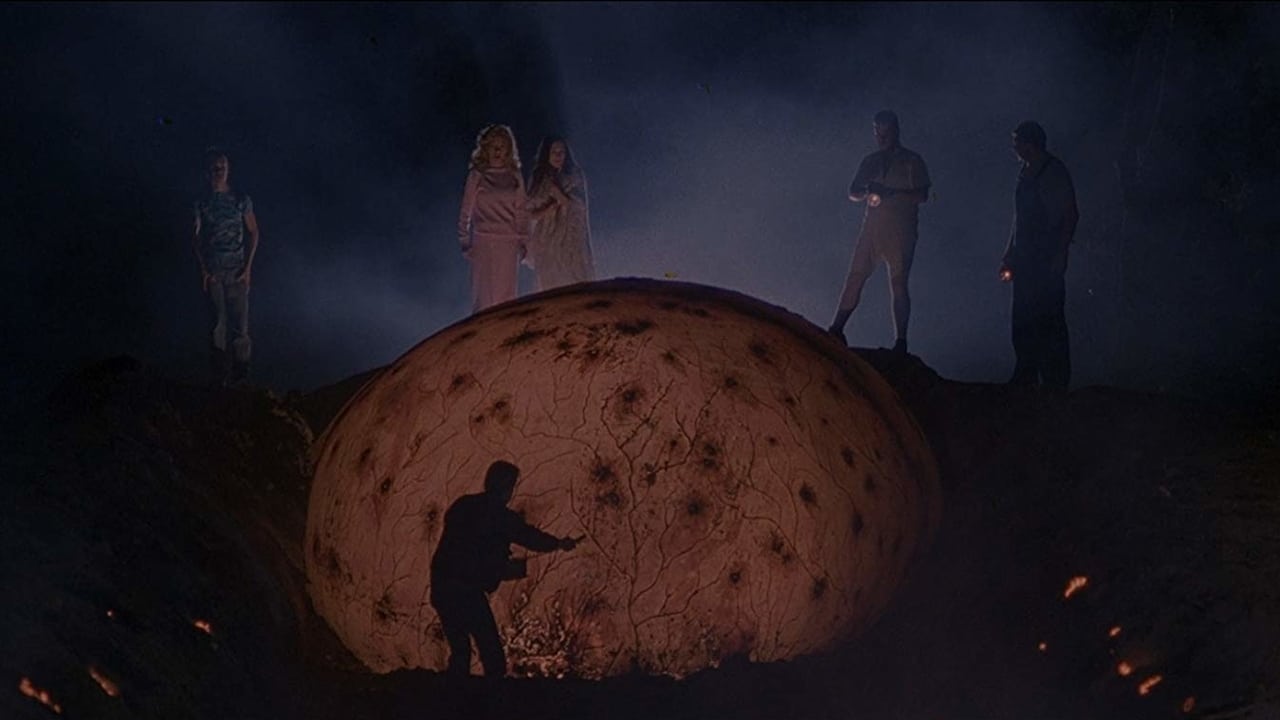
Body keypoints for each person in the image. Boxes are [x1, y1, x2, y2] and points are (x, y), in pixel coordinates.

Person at [429, 460, 580, 678]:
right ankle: (491, 697)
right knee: (492, 656)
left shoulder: (463, 506)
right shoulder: (499, 516)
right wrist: (558, 543)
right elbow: (530, 537)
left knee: (460, 651)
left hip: (442, 586)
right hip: (466, 591)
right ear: (505, 487)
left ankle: (454, 695)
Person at [828, 110, 931, 355]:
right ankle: (836, 328)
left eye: (886, 132)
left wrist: (893, 194)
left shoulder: (912, 161)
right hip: (873, 227)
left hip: (901, 229)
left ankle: (901, 341)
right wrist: (868, 192)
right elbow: (853, 191)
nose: (881, 138)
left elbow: (923, 195)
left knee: (898, 282)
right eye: (878, 133)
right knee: (856, 275)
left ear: (896, 131)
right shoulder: (871, 161)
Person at [999, 121, 1078, 388]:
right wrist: (1009, 252)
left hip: (1045, 255)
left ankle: (1056, 380)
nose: (1014, 148)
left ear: (1030, 144)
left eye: (1017, 142)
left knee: (1049, 317)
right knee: (1022, 316)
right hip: (1025, 256)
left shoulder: (1053, 172)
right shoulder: (1025, 171)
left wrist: (1061, 253)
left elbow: (1069, 214)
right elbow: (1019, 218)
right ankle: (1026, 373)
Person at [192, 148, 259, 386]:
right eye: (215, 168)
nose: (219, 172)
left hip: (236, 270)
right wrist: (204, 269)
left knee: (241, 327)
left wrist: (248, 268)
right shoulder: (202, 202)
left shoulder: (240, 199)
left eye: (223, 167)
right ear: (207, 172)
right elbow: (195, 237)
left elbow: (254, 231)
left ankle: (241, 378)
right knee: (217, 325)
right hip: (215, 272)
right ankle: (219, 379)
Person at [457, 125, 530, 312]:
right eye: (493, 146)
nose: (497, 151)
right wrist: (464, 240)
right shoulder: (477, 175)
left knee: (506, 297)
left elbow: (521, 210)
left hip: (508, 242)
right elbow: (466, 209)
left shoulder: (514, 175)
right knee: (483, 297)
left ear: (508, 150)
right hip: (484, 241)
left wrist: (524, 241)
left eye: (502, 146)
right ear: (486, 148)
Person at [525, 136, 595, 291]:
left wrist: (560, 195)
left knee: (573, 280)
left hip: (571, 239)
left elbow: (579, 207)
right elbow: (529, 212)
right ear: (546, 154)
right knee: (550, 282)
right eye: (554, 152)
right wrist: (548, 207)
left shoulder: (574, 176)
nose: (558, 156)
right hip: (546, 239)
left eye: (561, 152)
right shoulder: (540, 178)